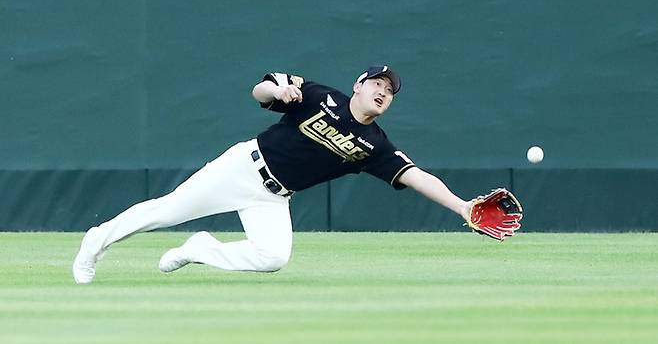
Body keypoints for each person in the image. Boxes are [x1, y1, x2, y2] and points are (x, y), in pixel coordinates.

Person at [72, 65, 473, 284]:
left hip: (273, 196)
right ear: (360, 85)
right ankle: (96, 242)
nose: (383, 91)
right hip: (242, 167)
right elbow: (261, 90)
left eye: (390, 90)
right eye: (377, 83)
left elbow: (415, 175)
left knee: (272, 257)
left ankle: (198, 250)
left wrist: (461, 206)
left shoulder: (374, 145)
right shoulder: (320, 96)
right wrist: (275, 92)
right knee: (165, 211)